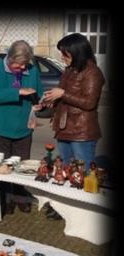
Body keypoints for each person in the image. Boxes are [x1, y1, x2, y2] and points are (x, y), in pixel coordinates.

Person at [0, 40, 44, 214]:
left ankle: (20, 197)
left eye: (24, 64)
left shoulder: (32, 70)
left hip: (23, 127)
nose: (21, 68)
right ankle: (2, 201)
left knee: (22, 165)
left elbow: (37, 92)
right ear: (9, 58)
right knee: (2, 165)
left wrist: (39, 103)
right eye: (18, 64)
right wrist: (19, 91)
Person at [43, 33, 105, 172]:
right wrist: (51, 102)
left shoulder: (92, 72)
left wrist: (63, 94)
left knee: (83, 172)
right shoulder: (69, 69)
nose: (62, 57)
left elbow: (90, 103)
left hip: (81, 131)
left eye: (65, 54)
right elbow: (65, 97)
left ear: (77, 53)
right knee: (66, 169)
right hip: (63, 128)